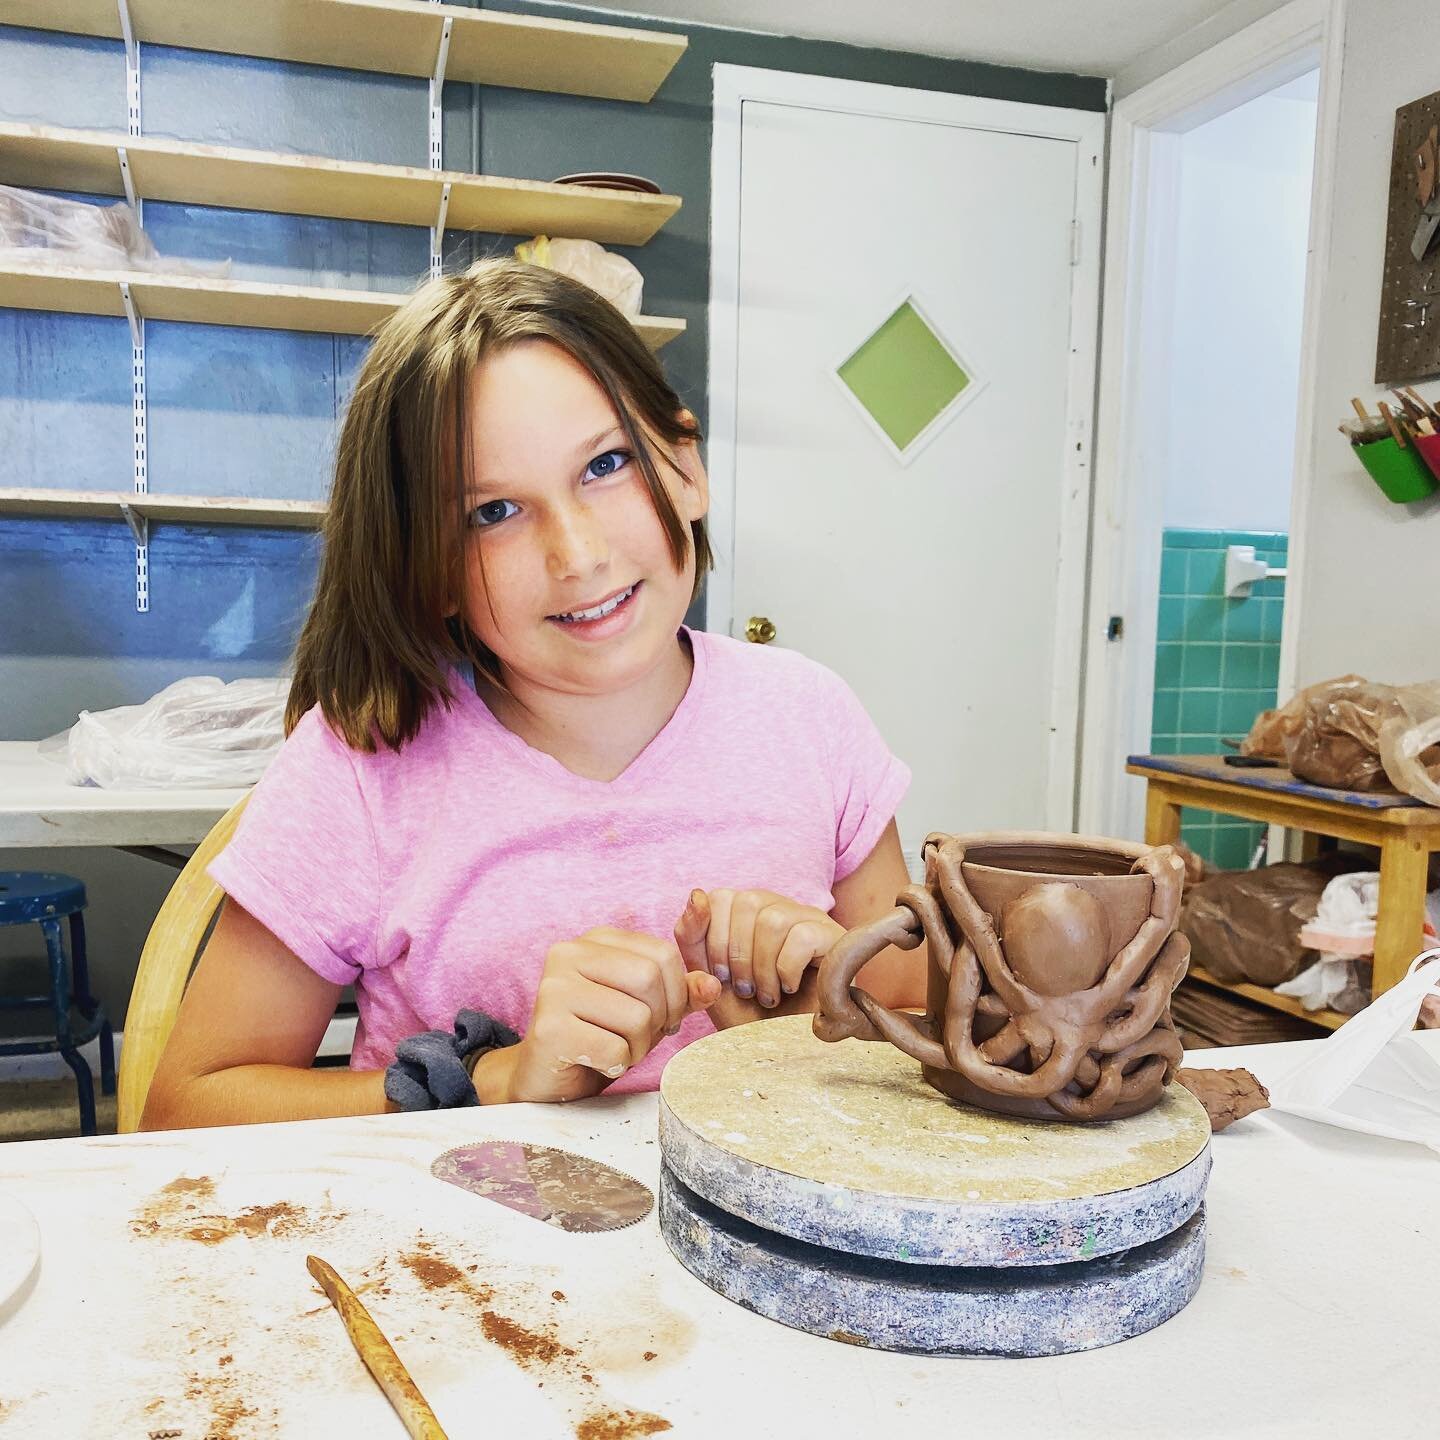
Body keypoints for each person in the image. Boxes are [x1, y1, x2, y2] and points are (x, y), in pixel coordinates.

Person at [141, 259, 924, 1129]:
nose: (577, 553)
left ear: (687, 468)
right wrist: (497, 1077)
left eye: (608, 463)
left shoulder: (813, 721)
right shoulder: (364, 765)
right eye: (491, 513)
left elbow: (933, 1053)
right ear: (427, 567)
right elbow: (183, 1109)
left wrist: (820, 1020)